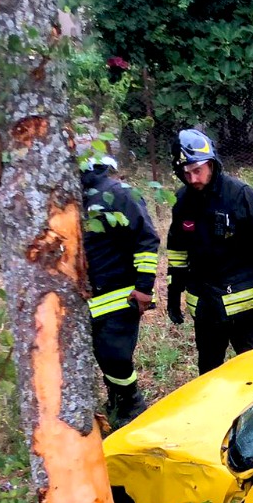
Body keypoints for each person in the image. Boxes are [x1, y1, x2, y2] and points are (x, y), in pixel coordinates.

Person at [164, 129, 253, 374]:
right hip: (205, 308)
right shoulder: (181, 201)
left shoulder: (240, 194)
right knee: (210, 376)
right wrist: (173, 294)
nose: (192, 179)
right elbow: (177, 252)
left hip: (244, 308)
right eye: (186, 173)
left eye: (197, 170)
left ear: (211, 163)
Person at [79, 146, 159, 425]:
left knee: (115, 356)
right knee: (104, 355)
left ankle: (132, 406)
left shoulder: (119, 194)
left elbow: (146, 240)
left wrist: (144, 287)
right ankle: (118, 401)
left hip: (121, 295)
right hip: (90, 299)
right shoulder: (72, 200)